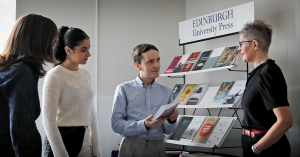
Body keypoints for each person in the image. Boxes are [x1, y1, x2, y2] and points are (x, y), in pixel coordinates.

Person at [0, 14, 57, 157]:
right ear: (39, 40)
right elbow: (22, 132)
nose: (53, 45)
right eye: (52, 40)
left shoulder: (7, 69)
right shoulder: (22, 72)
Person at [111, 43, 179, 157]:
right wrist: (144, 125)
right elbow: (116, 125)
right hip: (131, 147)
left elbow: (168, 130)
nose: (157, 65)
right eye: (150, 61)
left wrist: (172, 120)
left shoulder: (166, 91)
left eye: (158, 60)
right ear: (138, 66)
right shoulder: (123, 89)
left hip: (158, 148)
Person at [42, 26, 101, 157]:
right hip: (61, 140)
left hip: (84, 139)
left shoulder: (86, 74)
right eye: (83, 50)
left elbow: (91, 113)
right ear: (68, 50)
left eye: (89, 49)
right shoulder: (54, 76)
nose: (89, 54)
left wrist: (96, 148)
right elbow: (48, 121)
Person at [238, 20, 293, 157]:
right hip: (252, 142)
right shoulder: (257, 73)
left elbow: (285, 121)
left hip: (266, 148)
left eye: (241, 44)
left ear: (255, 44)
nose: (238, 49)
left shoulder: (268, 72)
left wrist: (257, 148)